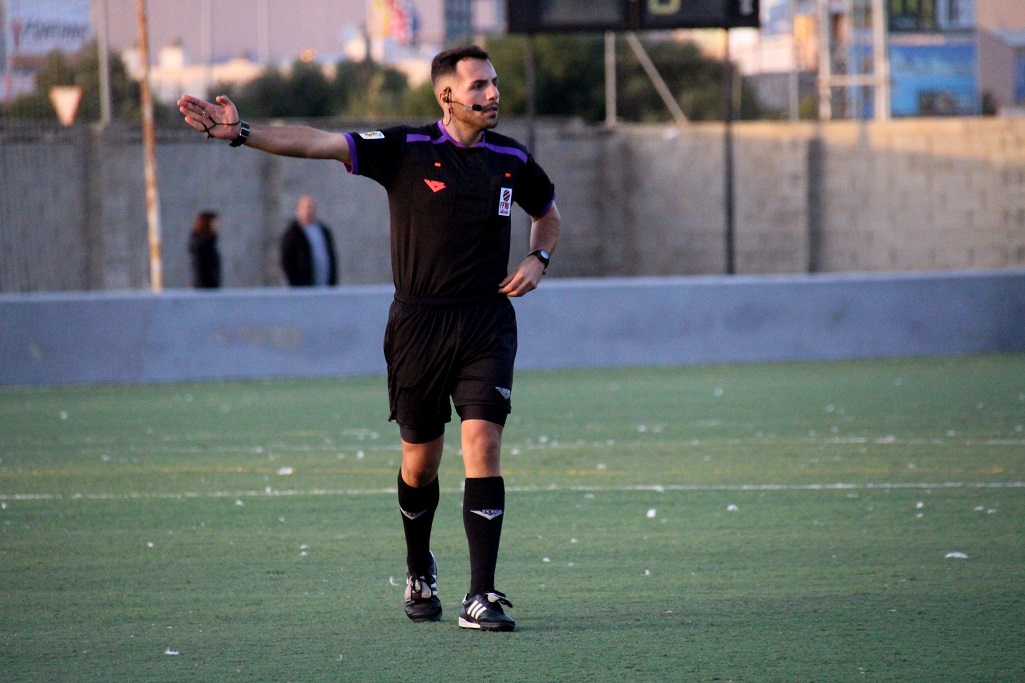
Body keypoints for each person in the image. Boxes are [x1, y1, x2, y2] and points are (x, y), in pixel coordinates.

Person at [178, 44, 561, 632]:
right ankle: (418, 566)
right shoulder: (406, 148)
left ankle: (480, 594)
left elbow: (548, 213)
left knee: (482, 443)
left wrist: (538, 257)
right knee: (421, 462)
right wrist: (241, 132)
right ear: (446, 96)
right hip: (418, 327)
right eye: (478, 86)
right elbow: (319, 143)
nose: (493, 94)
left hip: (486, 323)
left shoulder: (511, 157)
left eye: (494, 83)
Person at [280, 194, 339, 286]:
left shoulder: (323, 231)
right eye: (305, 207)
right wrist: (295, 283)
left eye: (311, 207)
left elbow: (331, 256)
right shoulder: (292, 234)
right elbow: (287, 261)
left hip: (325, 286)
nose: (309, 210)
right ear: (298, 210)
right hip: (304, 287)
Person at [188, 210, 222, 288]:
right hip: (204, 288)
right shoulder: (202, 245)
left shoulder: (208, 244)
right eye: (214, 223)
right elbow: (201, 270)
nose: (217, 226)